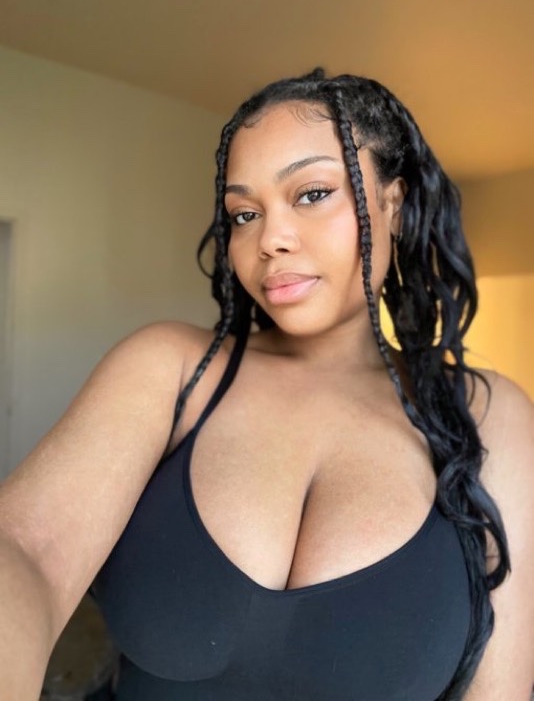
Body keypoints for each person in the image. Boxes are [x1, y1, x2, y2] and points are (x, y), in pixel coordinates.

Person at [0, 69, 532, 701]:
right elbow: (27, 549)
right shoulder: (174, 370)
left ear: (392, 203)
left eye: (312, 193)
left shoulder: (487, 416)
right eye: (245, 213)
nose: (269, 240)